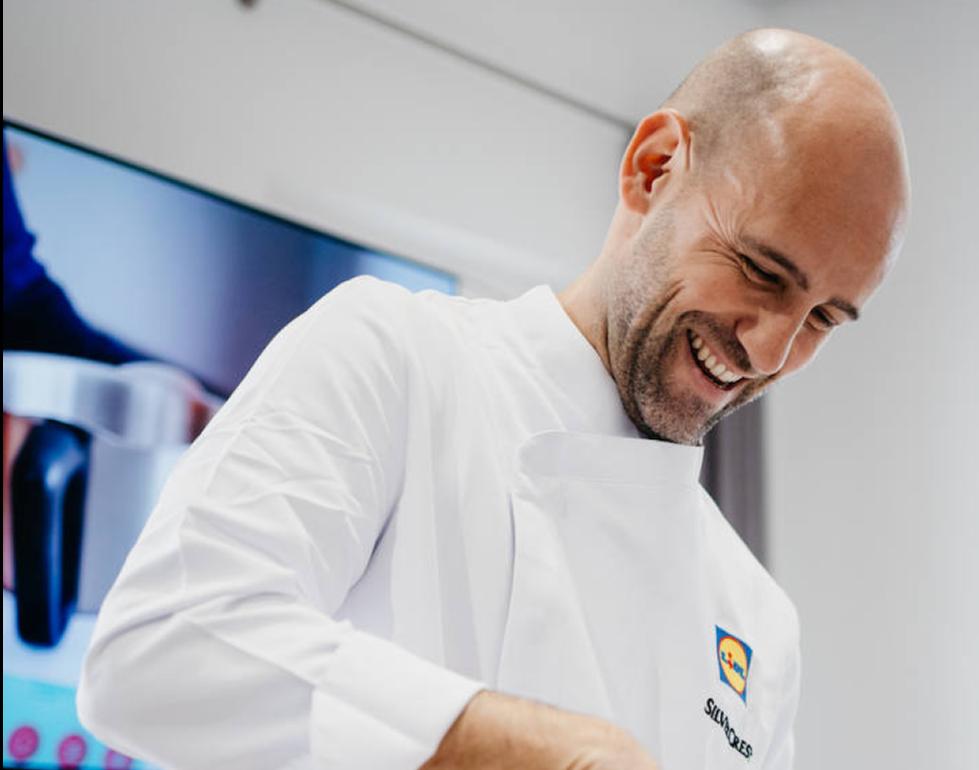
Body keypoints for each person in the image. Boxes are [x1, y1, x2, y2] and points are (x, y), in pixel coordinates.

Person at [76, 28, 909, 770]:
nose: (770, 350)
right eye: (760, 270)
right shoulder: (394, 355)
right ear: (654, 168)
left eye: (824, 319)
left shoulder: (758, 621)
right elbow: (158, 652)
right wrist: (552, 752)